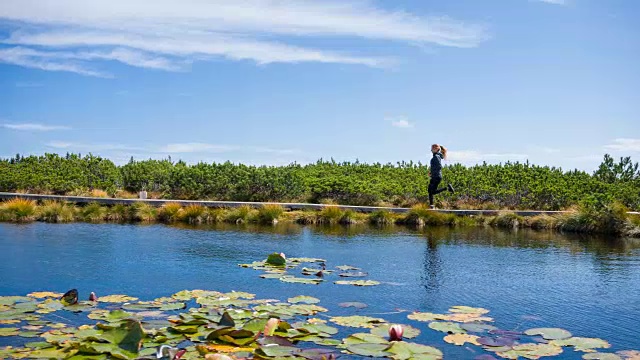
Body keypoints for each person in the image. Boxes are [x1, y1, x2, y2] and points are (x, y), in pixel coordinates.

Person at [428, 144, 455, 209]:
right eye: (431, 149)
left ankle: (447, 188)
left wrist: (433, 173)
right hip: (435, 176)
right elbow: (436, 166)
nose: (431, 150)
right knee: (429, 190)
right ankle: (431, 205)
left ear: (437, 149)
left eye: (432, 149)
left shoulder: (436, 157)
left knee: (432, 191)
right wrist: (431, 172)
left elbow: (439, 166)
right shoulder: (437, 156)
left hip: (436, 176)